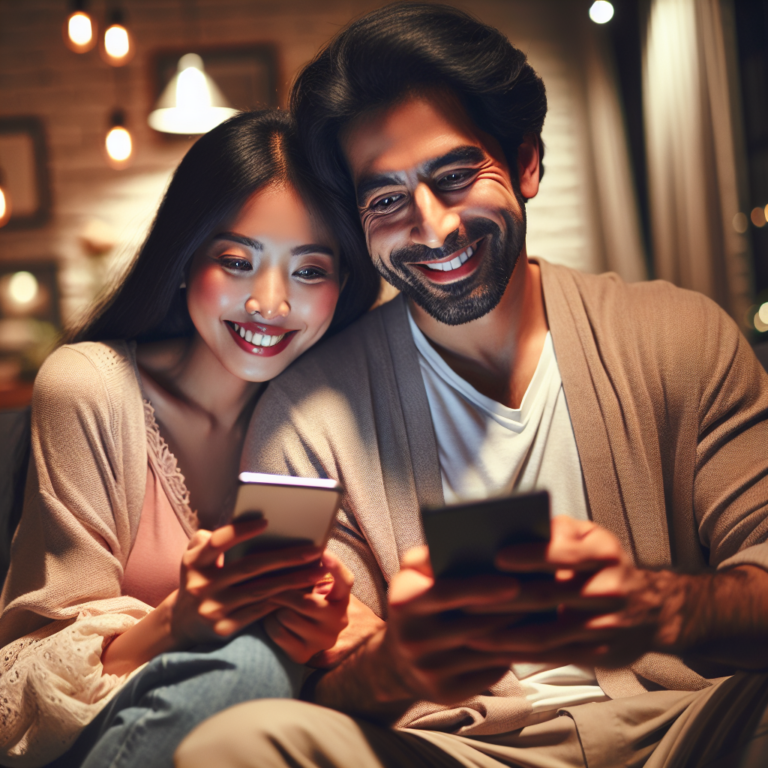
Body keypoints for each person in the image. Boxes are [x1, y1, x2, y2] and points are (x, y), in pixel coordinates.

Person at [175, 4, 768, 768]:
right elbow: (304, 684)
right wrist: (401, 666)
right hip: (458, 750)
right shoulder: (309, 414)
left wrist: (662, 607)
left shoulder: (680, 335)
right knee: (236, 744)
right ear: (359, 224)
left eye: (456, 177)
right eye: (385, 200)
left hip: (697, 724)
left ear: (525, 162)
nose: (433, 227)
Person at [0, 109, 380, 768]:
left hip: (269, 743)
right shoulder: (91, 387)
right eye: (237, 261)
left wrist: (329, 634)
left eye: (310, 271)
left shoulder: (343, 411)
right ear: (184, 260)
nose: (270, 303)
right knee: (255, 666)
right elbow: (25, 673)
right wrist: (177, 622)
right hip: (108, 729)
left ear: (343, 285)